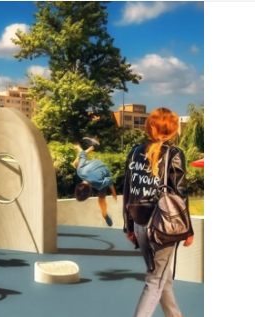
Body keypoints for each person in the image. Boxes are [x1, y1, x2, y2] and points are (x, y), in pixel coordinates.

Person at [121, 107, 195, 317]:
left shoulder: (134, 152)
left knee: (163, 277)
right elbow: (180, 195)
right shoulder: (174, 154)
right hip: (164, 226)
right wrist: (188, 230)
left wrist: (128, 225)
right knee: (155, 280)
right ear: (172, 130)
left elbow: (128, 190)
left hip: (139, 224)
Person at [73, 137, 117, 227]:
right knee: (75, 164)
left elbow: (109, 180)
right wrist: (78, 147)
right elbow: (82, 155)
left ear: (90, 192)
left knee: (101, 200)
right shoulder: (80, 171)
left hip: (104, 171)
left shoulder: (99, 184)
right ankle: (93, 147)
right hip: (95, 164)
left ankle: (104, 215)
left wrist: (114, 193)